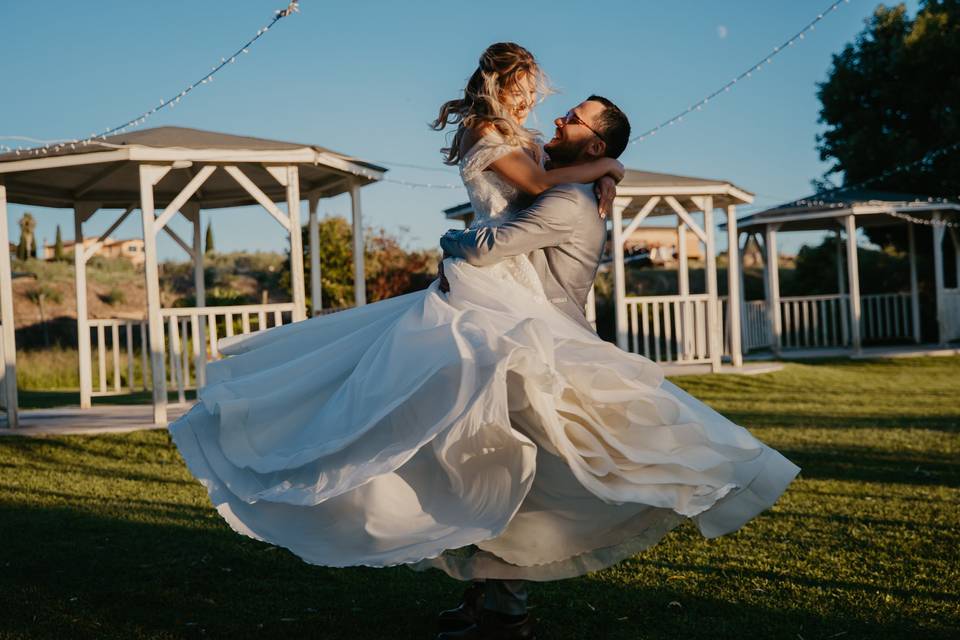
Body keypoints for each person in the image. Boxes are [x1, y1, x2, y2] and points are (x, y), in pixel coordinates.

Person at [168, 42, 800, 640]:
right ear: (502, 86)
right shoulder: (501, 141)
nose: (544, 111)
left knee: (506, 451)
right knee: (458, 436)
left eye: (565, 113)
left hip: (513, 310)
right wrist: (609, 166)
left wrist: (598, 171)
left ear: (593, 138)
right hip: (492, 305)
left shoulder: (551, 181)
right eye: (529, 92)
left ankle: (500, 605)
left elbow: (513, 218)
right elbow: (528, 189)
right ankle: (488, 597)